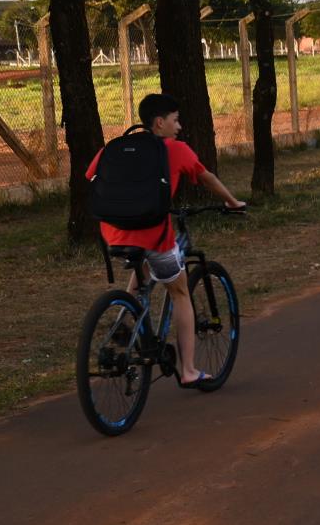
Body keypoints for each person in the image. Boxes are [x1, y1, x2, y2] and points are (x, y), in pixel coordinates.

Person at [87, 94, 246, 387]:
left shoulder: (115, 147)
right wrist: (233, 202)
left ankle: (124, 319)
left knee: (143, 265)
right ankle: (188, 370)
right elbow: (207, 177)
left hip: (112, 233)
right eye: (175, 120)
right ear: (159, 123)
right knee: (180, 291)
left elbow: (92, 177)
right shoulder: (174, 149)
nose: (179, 126)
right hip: (152, 234)